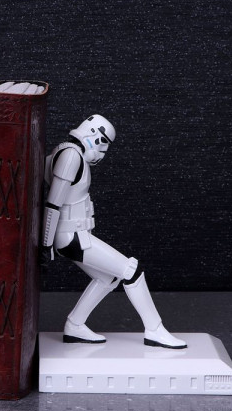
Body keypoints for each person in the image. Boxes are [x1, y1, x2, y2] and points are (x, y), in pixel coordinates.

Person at [42, 114, 186, 349]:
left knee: (107, 277)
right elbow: (53, 203)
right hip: (71, 236)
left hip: (74, 234)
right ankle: (155, 330)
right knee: (132, 271)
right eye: (103, 145)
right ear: (94, 136)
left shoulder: (65, 151)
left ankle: (75, 325)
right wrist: (45, 244)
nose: (102, 153)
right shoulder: (70, 156)